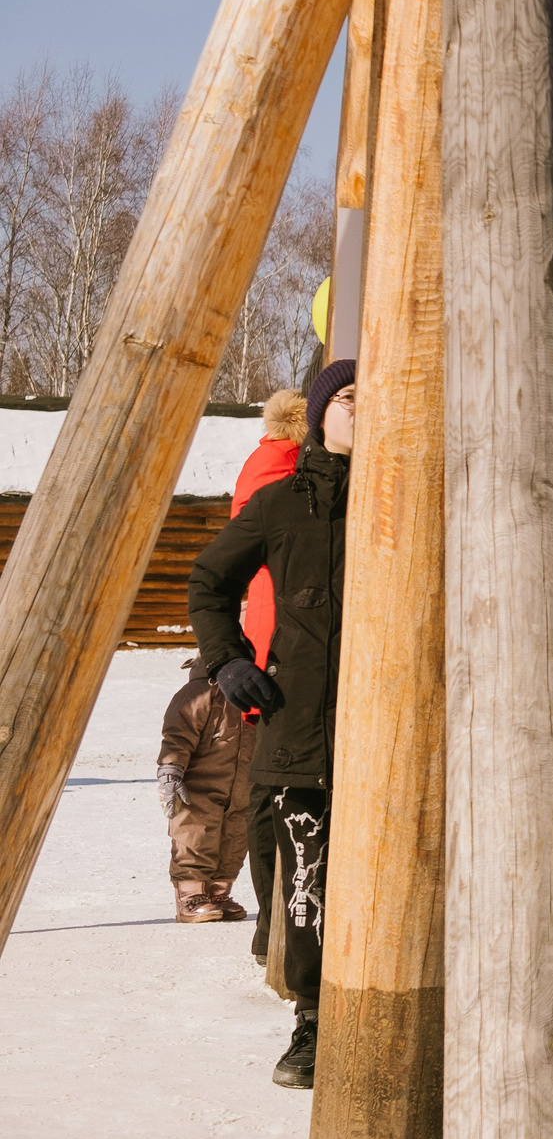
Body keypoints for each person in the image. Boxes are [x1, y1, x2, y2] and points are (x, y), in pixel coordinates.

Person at [186, 357, 357, 1088]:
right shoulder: (282, 502)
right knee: (306, 884)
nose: (362, 409)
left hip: (397, 736)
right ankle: (313, 1021)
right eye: (348, 398)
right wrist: (227, 660)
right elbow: (209, 579)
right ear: (319, 413)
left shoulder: (419, 502)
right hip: (301, 731)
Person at [228, 387, 303, 956]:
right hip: (285, 637)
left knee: (269, 781)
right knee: (275, 784)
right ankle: (275, 925)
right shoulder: (288, 466)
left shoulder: (265, 458)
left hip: (267, 634)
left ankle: (270, 926)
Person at [157, 659, 254, 924]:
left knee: (235, 838)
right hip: (199, 785)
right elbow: (177, 735)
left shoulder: (252, 689)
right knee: (195, 835)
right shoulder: (199, 691)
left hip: (243, 784)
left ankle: (219, 893)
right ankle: (190, 895)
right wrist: (171, 768)